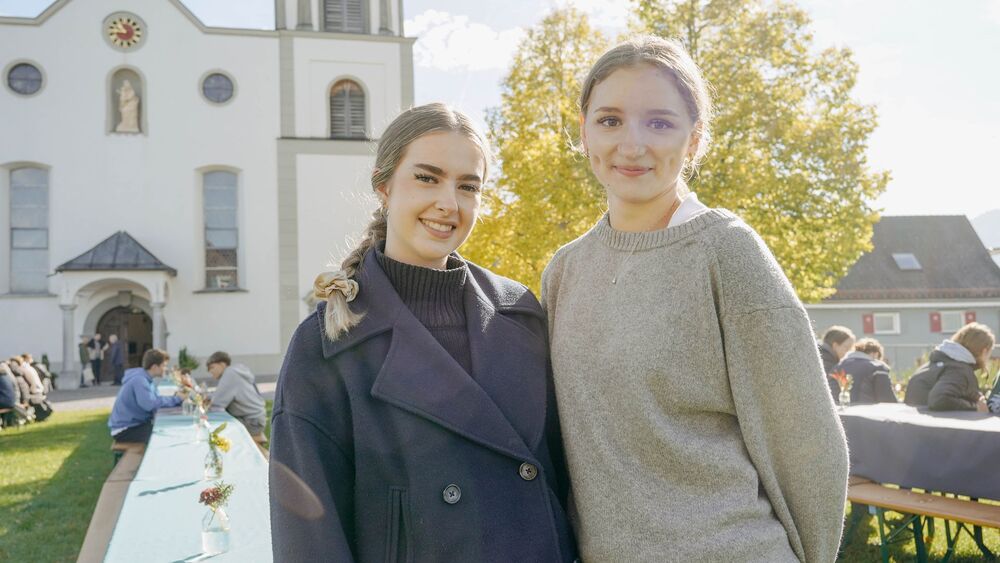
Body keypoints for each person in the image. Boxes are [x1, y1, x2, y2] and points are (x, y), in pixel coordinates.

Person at [541, 36, 848, 562]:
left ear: (695, 140)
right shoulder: (565, 270)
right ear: (584, 132)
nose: (631, 144)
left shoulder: (728, 252)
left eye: (659, 123)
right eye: (610, 120)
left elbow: (807, 445)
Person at [269, 103, 576, 562]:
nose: (449, 203)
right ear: (384, 186)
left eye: (468, 186)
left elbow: (562, 479)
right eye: (427, 178)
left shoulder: (520, 311)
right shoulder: (327, 344)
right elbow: (309, 540)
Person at [905, 323, 995, 411]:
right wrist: (975, 407)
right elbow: (939, 399)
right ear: (984, 351)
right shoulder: (959, 370)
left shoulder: (932, 366)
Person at [108, 348, 187, 443]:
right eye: (164, 365)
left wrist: (175, 398)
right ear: (154, 367)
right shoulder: (139, 380)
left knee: (169, 428)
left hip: (134, 425)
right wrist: (177, 399)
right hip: (125, 429)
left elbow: (156, 400)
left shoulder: (146, 379)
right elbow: (150, 404)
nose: (166, 369)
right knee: (166, 434)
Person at [204, 351, 267, 440]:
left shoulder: (230, 374)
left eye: (212, 367)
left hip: (251, 422)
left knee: (214, 430)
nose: (210, 371)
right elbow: (220, 395)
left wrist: (207, 400)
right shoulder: (235, 372)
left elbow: (217, 403)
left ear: (222, 364)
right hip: (256, 419)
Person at [838, 338, 897, 404]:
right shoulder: (877, 368)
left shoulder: (838, 367)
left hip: (839, 409)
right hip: (866, 409)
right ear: (875, 354)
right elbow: (888, 400)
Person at [819, 326, 856, 403]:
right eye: (847, 348)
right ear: (835, 345)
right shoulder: (826, 362)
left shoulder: (825, 357)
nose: (849, 352)